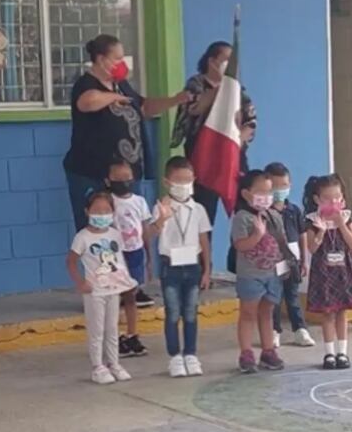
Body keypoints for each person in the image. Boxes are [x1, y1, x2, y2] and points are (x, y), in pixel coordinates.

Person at [63, 33, 190, 234]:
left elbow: (144, 107)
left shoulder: (121, 85)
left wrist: (174, 100)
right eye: (118, 59)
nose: (123, 64)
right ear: (102, 59)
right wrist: (113, 97)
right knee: (98, 229)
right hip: (92, 172)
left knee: (130, 228)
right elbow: (87, 102)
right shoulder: (85, 84)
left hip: (127, 174)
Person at [172, 41, 257, 226]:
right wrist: (220, 89)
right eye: (226, 59)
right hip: (204, 155)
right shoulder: (196, 83)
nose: (231, 64)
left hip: (232, 154)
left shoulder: (237, 89)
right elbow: (193, 109)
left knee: (244, 209)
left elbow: (251, 121)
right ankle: (204, 254)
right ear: (212, 61)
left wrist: (238, 139)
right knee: (204, 213)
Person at [66, 190, 136, 385]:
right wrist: (80, 282)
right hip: (94, 291)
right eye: (97, 210)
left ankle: (114, 363)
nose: (102, 214)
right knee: (97, 330)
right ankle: (97, 366)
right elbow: (71, 261)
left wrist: (125, 281)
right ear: (87, 211)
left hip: (113, 289)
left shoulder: (115, 234)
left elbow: (120, 260)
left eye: (106, 210)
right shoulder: (83, 237)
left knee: (112, 328)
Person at [151, 157, 212, 377]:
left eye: (187, 180)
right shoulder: (161, 207)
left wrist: (207, 269)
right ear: (167, 182)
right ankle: (175, 356)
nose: (183, 185)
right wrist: (161, 220)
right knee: (173, 311)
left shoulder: (199, 209)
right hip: (171, 266)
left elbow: (204, 240)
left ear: (194, 180)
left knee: (191, 312)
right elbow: (148, 235)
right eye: (178, 180)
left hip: (193, 265)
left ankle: (191, 354)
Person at [304, 174, 352, 370]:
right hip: (324, 272)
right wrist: (321, 232)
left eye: (337, 198)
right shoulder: (312, 220)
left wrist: (340, 224)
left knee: (341, 312)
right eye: (328, 199)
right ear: (317, 200)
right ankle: (329, 353)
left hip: (343, 270)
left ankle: (342, 352)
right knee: (328, 314)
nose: (333, 203)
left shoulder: (346, 217)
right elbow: (312, 248)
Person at [231, 170, 285, 373]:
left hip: (272, 274)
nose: (266, 196)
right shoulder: (242, 218)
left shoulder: (273, 216)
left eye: (269, 191)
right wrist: (257, 234)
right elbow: (241, 245)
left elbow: (281, 242)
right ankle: (246, 353)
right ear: (246, 194)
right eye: (260, 191)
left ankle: (268, 351)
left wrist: (288, 264)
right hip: (250, 275)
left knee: (267, 312)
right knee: (248, 313)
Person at [106, 159, 154, 357]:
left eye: (127, 178)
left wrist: (149, 256)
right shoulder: (107, 201)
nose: (123, 182)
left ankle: (132, 335)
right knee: (115, 298)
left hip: (135, 252)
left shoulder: (139, 202)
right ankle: (114, 337)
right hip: (114, 255)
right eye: (117, 179)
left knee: (131, 296)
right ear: (108, 181)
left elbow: (145, 230)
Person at [265, 162, 315, 349]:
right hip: (272, 264)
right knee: (274, 298)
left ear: (290, 185)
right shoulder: (264, 213)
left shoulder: (293, 210)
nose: (280, 190)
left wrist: (304, 260)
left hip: (292, 261)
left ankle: (300, 330)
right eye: (276, 186)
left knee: (292, 297)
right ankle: (275, 330)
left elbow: (302, 234)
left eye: (284, 186)